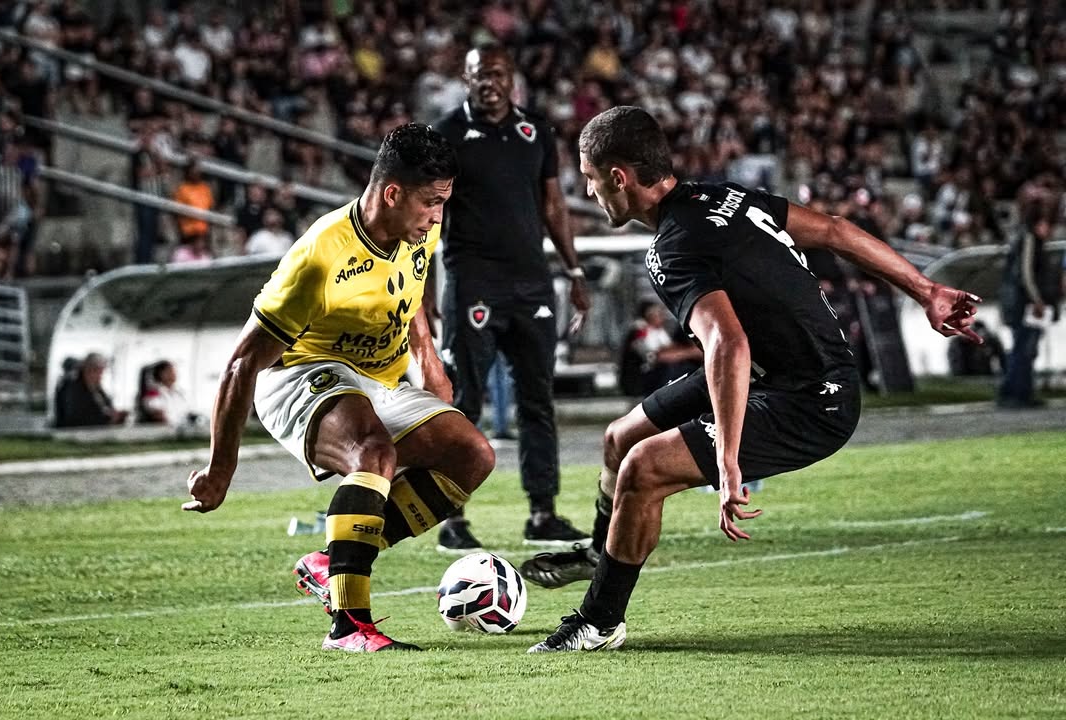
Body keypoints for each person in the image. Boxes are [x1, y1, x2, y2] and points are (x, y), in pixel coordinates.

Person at [524, 107, 983, 652]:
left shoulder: (672, 248)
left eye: (592, 181)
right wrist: (926, 290)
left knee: (645, 468)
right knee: (621, 437)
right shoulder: (723, 197)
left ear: (619, 178)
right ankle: (605, 552)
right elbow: (835, 230)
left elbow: (727, 343)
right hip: (775, 371)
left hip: (812, 400)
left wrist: (728, 457)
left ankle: (600, 621)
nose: (592, 194)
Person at [183, 124, 495, 653]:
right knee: (372, 452)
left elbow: (410, 289)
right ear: (392, 193)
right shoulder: (319, 259)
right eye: (431, 203)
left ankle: (333, 560)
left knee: (472, 454)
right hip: (299, 376)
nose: (438, 216)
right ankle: (349, 626)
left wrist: (428, 359)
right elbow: (241, 365)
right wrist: (220, 469)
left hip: (376, 379)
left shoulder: (416, 228)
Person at [431, 42, 592, 551]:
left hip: (532, 285)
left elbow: (553, 206)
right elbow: (432, 213)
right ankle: (451, 518)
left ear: (512, 76)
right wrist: (427, 287)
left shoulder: (536, 131)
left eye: (498, 72)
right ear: (466, 77)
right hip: (473, 281)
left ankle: (542, 513)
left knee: (537, 401)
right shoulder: (447, 134)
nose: (489, 82)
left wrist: (574, 268)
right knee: (463, 402)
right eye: (480, 74)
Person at [997, 211, 1057, 408]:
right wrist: (1037, 299)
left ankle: (1020, 391)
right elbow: (1027, 274)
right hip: (1025, 306)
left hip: (1023, 305)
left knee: (1025, 349)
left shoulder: (1030, 241)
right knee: (1023, 349)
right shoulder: (1030, 241)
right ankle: (1015, 393)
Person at [54, 352, 129, 428]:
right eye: (99, 372)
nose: (101, 376)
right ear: (90, 370)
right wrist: (106, 418)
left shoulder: (96, 387)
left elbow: (105, 405)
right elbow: (76, 416)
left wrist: (113, 414)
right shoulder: (72, 387)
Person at [136, 360, 189, 426]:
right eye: (169, 371)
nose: (173, 374)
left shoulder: (178, 393)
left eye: (174, 371)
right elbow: (157, 414)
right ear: (160, 374)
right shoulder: (153, 392)